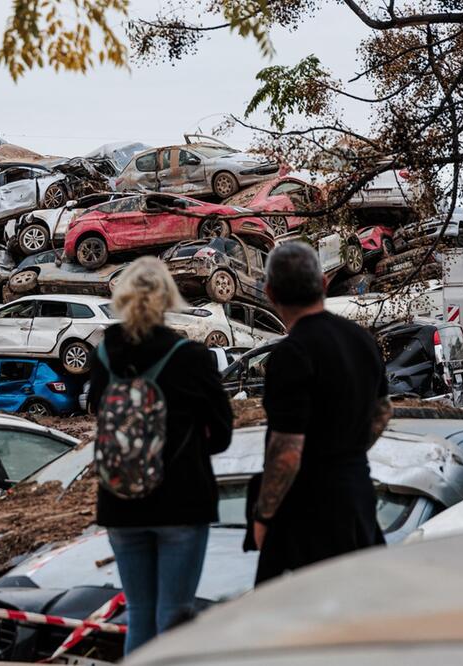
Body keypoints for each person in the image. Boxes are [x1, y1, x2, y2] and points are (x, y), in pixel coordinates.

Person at [88, 256, 233, 654]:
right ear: (169, 297)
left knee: (139, 613)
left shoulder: (104, 354)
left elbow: (97, 413)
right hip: (181, 502)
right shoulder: (190, 356)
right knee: (174, 616)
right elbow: (222, 435)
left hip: (121, 503)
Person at [253, 242, 392, 585]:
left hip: (306, 508)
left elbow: (287, 451)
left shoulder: (291, 353)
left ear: (269, 293)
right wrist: (347, 448)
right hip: (357, 492)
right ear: (325, 284)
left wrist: (264, 515)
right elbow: (383, 411)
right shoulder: (362, 339)